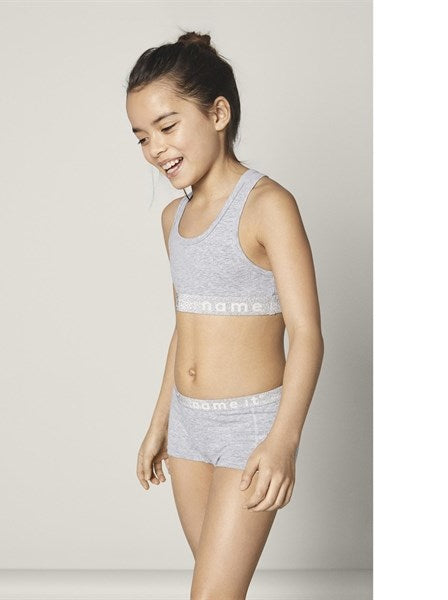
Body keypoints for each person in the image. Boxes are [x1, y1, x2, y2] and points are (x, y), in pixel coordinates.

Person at [126, 30, 324, 599]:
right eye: (141, 137)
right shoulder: (172, 219)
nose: (155, 149)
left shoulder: (268, 206)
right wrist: (160, 421)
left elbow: (307, 334)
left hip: (250, 427)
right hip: (188, 428)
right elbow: (185, 328)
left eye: (167, 127)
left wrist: (283, 440)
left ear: (217, 113)